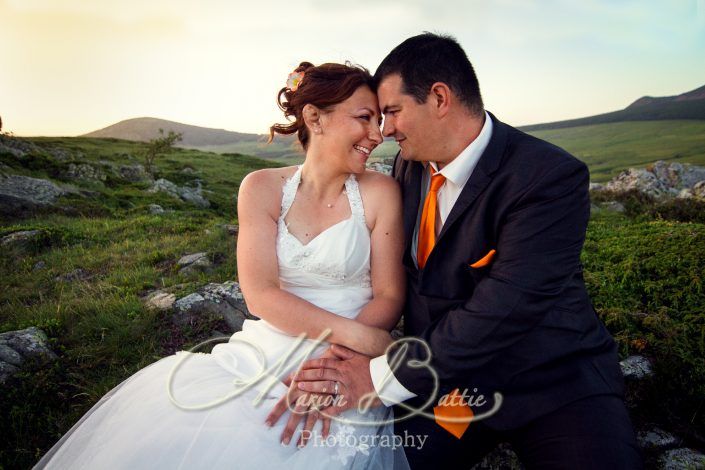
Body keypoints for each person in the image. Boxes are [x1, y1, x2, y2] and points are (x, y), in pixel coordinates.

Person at [274, 33, 643, 469]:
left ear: (439, 97)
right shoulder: (407, 166)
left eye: (392, 112)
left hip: (553, 383)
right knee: (368, 459)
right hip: (451, 387)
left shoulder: (547, 177)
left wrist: (376, 376)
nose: (384, 130)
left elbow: (508, 304)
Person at [34, 62, 410, 469]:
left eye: (381, 120)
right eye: (364, 118)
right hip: (268, 352)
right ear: (314, 118)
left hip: (346, 362)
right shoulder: (262, 188)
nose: (378, 134)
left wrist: (332, 365)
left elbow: (389, 295)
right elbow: (260, 294)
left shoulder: (381, 191)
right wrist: (364, 339)